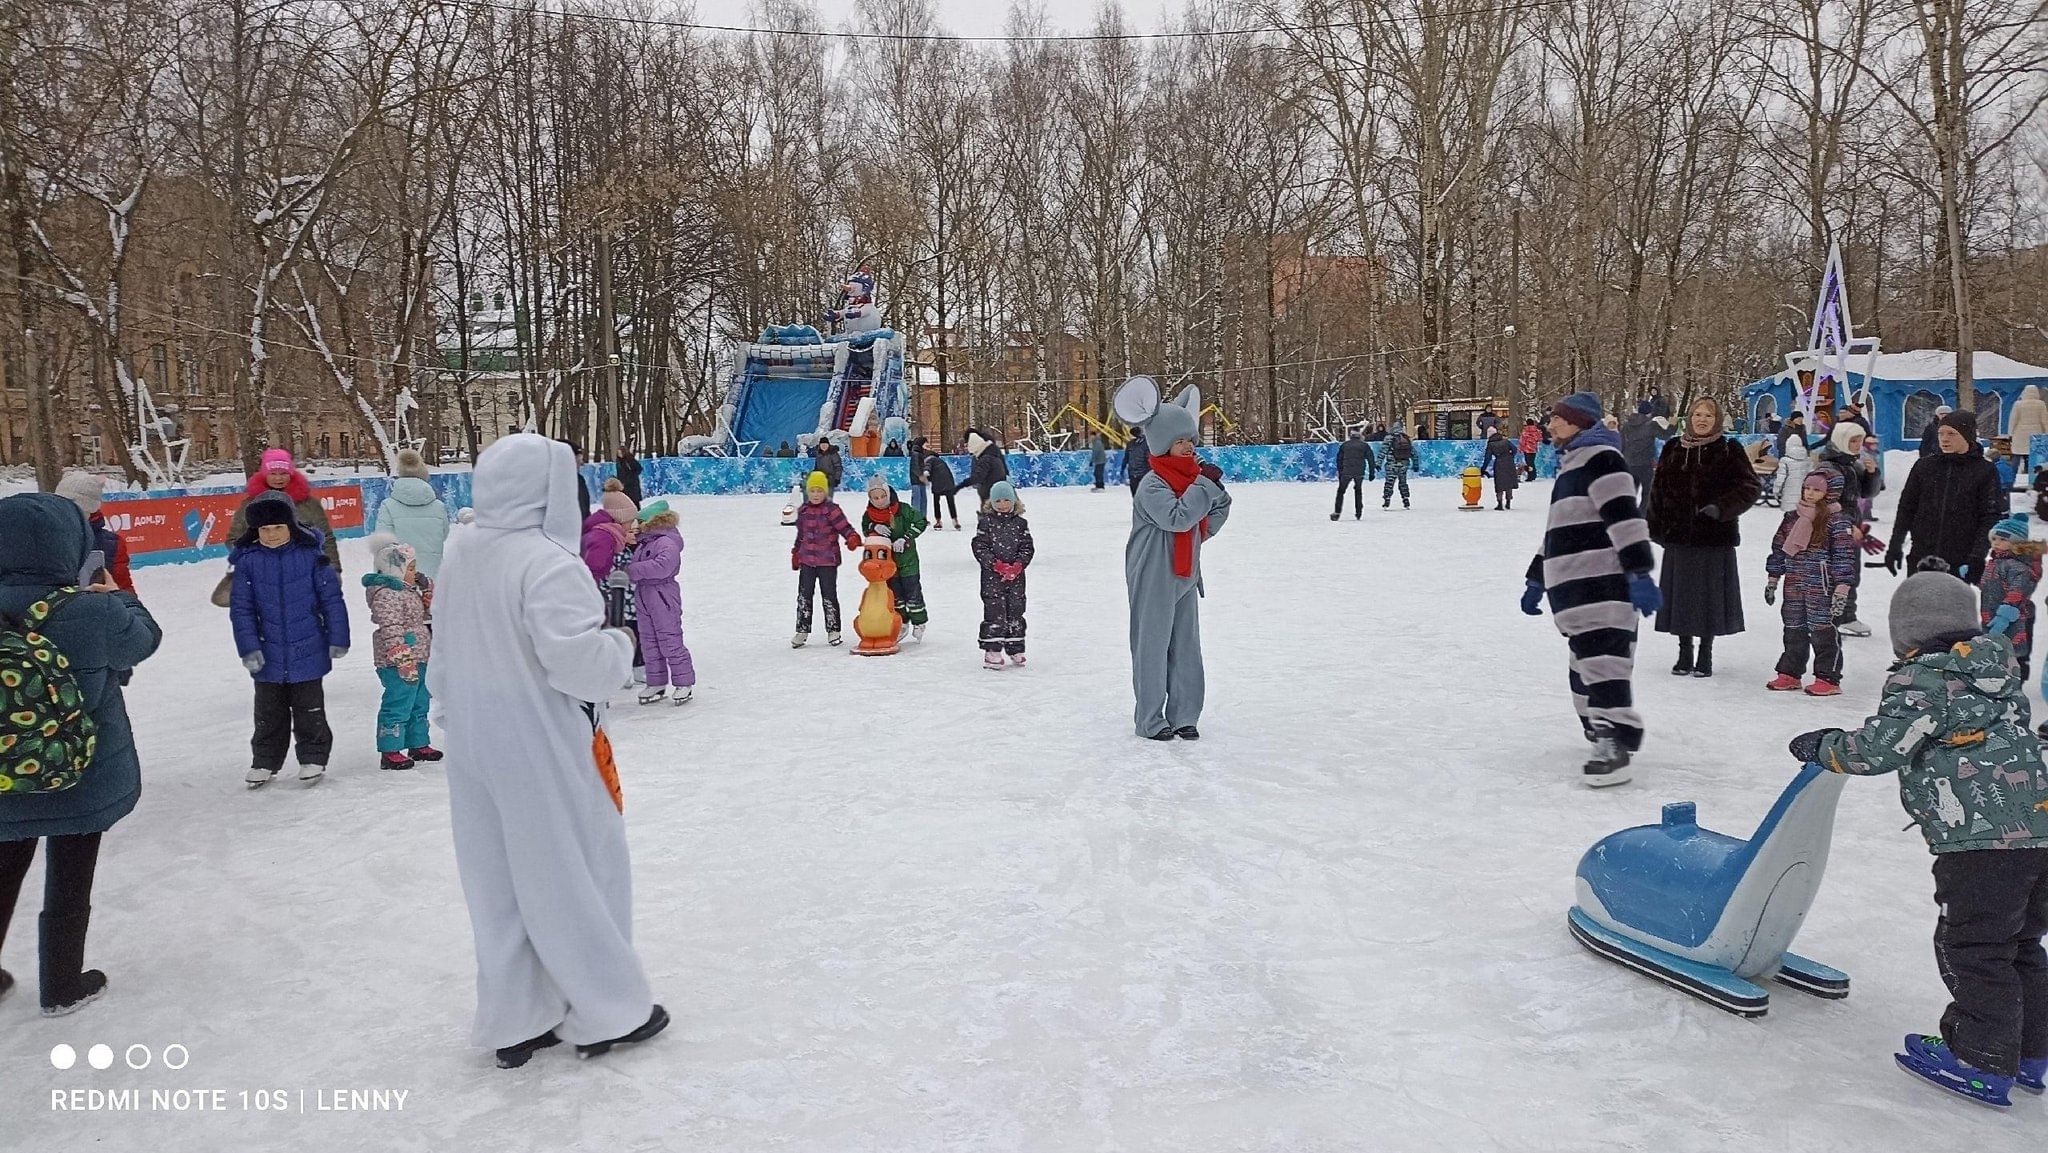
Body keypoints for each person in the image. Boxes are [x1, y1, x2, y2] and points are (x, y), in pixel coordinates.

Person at [426, 434, 667, 1069]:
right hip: (540, 738)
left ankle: (516, 1016)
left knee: (497, 879)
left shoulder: (463, 549)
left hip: (474, 737)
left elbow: (442, 645)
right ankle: (607, 1008)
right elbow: (578, 666)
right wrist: (618, 644)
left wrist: (449, 709)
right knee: (570, 870)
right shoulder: (546, 562)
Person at [1788, 565, 2048, 1108]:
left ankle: (1981, 1059)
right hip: (2040, 834)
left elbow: (1881, 748)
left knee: (1974, 948)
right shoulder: (1998, 673)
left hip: (1982, 843)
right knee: (2019, 942)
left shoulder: (1921, 677)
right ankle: (2029, 1050)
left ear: (1904, 630)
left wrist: (1824, 746)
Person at [0, 493, 161, 1015]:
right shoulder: (92, 612)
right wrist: (119, 597)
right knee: (71, 876)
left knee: (3, 867)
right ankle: (62, 982)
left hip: (5, 772)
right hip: (80, 769)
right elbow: (145, 641)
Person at [1520, 391, 1658, 786]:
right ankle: (1600, 730)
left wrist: (1639, 573)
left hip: (1602, 585)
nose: (1550, 426)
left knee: (1604, 666)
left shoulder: (1603, 459)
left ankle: (1614, 741)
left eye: (1558, 419)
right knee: (1583, 670)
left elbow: (1624, 518)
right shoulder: (1572, 465)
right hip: (1573, 591)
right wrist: (1537, 577)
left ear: (1580, 423)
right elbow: (1557, 532)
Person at [1126, 388, 1232, 740]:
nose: (1188, 446)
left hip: (1186, 574)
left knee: (1186, 646)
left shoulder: (1192, 479)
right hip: (1153, 574)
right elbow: (1177, 518)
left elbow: (1217, 509)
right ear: (1161, 444)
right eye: (1179, 441)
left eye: (1190, 439)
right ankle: (1151, 720)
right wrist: (1204, 486)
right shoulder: (1151, 485)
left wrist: (1206, 511)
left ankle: (1185, 714)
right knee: (1152, 648)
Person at [230, 492, 349, 787]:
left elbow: (332, 600)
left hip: (308, 647)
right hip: (266, 652)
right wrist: (248, 648)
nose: (271, 535)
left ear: (291, 526)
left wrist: (338, 637)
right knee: (268, 713)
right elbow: (241, 610)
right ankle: (264, 761)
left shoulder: (312, 556)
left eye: (277, 528)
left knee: (309, 709)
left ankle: (313, 757)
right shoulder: (248, 562)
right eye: (264, 530)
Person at [1646, 398, 1759, 678]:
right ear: (1689, 418)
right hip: (1678, 536)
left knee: (1709, 597)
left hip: (1713, 537)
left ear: (1717, 419)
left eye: (1708, 415)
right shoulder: (1673, 448)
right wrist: (1655, 525)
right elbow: (1657, 489)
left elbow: (1750, 486)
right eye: (1697, 414)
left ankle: (1705, 652)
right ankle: (1684, 651)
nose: (1702, 419)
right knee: (1681, 596)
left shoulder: (1728, 449)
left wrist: (1720, 508)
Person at [1764, 472, 1857, 696]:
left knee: (1822, 630)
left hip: (1822, 586)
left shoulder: (1837, 520)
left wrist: (1842, 589)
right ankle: (1790, 672)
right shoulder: (1792, 517)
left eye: (1817, 489)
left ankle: (1828, 677)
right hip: (1794, 582)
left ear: (1829, 493)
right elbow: (1779, 549)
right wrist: (1773, 579)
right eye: (1807, 488)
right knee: (1794, 627)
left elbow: (1844, 556)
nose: (1810, 493)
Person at [1887, 412, 2006, 585]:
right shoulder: (1925, 466)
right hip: (1922, 557)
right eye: (1941, 433)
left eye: (1951, 433)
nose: (1944, 439)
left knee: (1951, 610)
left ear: (1967, 436)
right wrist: (1895, 545)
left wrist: (1977, 556)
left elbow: (1990, 516)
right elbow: (1906, 508)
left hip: (1960, 559)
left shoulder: (1984, 470)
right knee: (1918, 609)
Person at [362, 534, 439, 770]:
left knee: (420, 700)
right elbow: (391, 627)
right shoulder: (386, 594)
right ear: (395, 569)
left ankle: (418, 743)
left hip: (420, 654)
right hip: (398, 660)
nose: (415, 572)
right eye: (410, 568)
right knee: (399, 701)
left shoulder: (407, 590)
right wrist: (401, 656)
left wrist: (426, 594)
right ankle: (390, 748)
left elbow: (422, 618)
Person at [224, 448, 340, 572]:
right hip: (264, 575)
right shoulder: (250, 505)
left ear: (291, 474)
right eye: (273, 473)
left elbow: (326, 538)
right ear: (264, 475)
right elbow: (233, 540)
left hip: (305, 573)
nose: (278, 478)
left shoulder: (309, 504)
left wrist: (333, 570)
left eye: (283, 473)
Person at [625, 501, 694, 705]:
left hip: (662, 594)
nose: (636, 526)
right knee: (648, 641)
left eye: (640, 522)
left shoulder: (666, 542)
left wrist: (632, 570)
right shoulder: (645, 542)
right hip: (644, 594)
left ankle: (684, 683)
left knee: (669, 639)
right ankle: (656, 681)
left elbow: (663, 566)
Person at [1815, 422, 1876, 635]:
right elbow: (1824, 504)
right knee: (1839, 574)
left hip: (1850, 528)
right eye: (1853, 440)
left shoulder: (1851, 464)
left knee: (1849, 573)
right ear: (1841, 440)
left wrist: (1871, 474)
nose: (1858, 445)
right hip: (1836, 531)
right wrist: (1847, 526)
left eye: (1860, 440)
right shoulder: (1829, 468)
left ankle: (1844, 616)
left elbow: (1866, 493)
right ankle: (1835, 618)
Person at [790, 471, 861, 647]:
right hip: (807, 560)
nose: (815, 495)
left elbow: (845, 528)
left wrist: (852, 537)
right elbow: (801, 535)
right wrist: (796, 552)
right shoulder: (804, 511)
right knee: (804, 596)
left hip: (828, 561)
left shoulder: (832, 510)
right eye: (812, 491)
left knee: (829, 595)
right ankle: (802, 630)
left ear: (825, 492)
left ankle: (833, 629)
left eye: (819, 491)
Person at [972, 480, 1033, 668]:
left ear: (1014, 501)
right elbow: (979, 546)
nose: (1003, 504)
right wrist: (996, 565)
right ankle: (992, 650)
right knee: (995, 611)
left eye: (1007, 500)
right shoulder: (986, 522)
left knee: (1016, 610)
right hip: (993, 578)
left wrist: (1017, 566)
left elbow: (1027, 547)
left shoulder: (1021, 524)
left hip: (1016, 579)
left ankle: (1015, 647)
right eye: (998, 501)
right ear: (992, 502)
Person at [863, 474, 929, 642]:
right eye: (875, 497)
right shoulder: (870, 514)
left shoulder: (903, 509)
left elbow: (921, 522)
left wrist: (905, 538)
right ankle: (902, 622)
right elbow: (865, 528)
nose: (879, 500)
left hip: (908, 561)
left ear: (889, 494)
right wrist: (873, 526)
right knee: (895, 595)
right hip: (886, 564)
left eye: (883, 496)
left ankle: (919, 622)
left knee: (912, 592)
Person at [374, 448, 451, 580]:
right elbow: (443, 534)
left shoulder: (388, 506)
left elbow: (383, 543)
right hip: (432, 576)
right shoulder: (439, 506)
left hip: (399, 576)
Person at [1981, 514, 2042, 681]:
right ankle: (1998, 679)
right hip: (1993, 615)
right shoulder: (1996, 562)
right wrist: (1973, 574)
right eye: (1994, 538)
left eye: (2002, 539)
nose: (1996, 543)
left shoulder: (2018, 566)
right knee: (1997, 651)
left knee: (2014, 652)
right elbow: (1992, 587)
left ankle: (2017, 681)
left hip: (2016, 618)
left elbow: (2018, 590)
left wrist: (2005, 614)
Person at [52, 473, 133, 594]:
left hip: (96, 608)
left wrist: (114, 594)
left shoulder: (111, 544)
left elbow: (125, 591)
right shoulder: (41, 537)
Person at [1619, 400, 1665, 500]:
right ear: (1649, 412)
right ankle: (1642, 514)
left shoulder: (1627, 425)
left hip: (1628, 463)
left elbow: (1621, 442)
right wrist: (1673, 425)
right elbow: (1664, 435)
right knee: (1646, 494)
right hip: (1645, 465)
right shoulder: (1651, 425)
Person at [1332, 427, 1373, 520]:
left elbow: (1339, 459)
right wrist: (1371, 472)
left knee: (1341, 491)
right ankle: (1358, 512)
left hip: (1346, 471)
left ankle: (1337, 512)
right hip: (1359, 471)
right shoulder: (1364, 445)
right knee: (1358, 491)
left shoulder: (1345, 445)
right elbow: (1371, 459)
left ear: (1351, 435)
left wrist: (1340, 471)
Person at [1773, 411, 1812, 505]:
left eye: (1801, 418)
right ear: (1794, 419)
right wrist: (1786, 455)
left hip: (1800, 456)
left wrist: (1807, 452)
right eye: (1799, 418)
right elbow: (1781, 443)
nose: (1801, 420)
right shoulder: (1785, 429)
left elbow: (1804, 442)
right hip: (1788, 455)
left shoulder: (1802, 428)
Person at [2011, 387, 2048, 477]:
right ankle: (2031, 476)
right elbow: (2045, 420)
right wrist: (2046, 432)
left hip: (2020, 434)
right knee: (2033, 457)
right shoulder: (2041, 404)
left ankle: (2012, 474)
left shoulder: (2018, 404)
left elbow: (2013, 420)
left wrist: (2011, 432)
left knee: (2017, 455)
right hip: (2036, 434)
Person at [966, 430, 1009, 507]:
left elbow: (978, 468)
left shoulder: (984, 452)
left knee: (989, 504)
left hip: (989, 484)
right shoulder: (989, 451)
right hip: (994, 483)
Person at [1482, 425, 1518, 510]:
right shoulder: (1506, 441)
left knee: (1499, 483)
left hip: (1499, 463)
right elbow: (1515, 449)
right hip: (1509, 462)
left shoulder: (1491, 444)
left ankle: (1500, 503)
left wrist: (1483, 469)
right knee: (1508, 482)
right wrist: (1510, 456)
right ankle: (1508, 502)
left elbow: (1488, 457)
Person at [1379, 425, 1415, 509]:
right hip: (1404, 464)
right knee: (1403, 482)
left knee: (1389, 482)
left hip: (1392, 464)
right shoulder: (1406, 438)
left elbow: (1383, 451)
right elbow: (1413, 452)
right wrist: (1415, 464)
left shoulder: (1389, 438)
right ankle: (1406, 500)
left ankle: (1387, 500)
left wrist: (1378, 463)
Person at [908, 436, 933, 517]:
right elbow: (915, 467)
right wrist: (920, 476)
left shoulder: (921, 453)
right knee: (917, 499)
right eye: (926, 442)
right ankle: (915, 518)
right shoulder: (916, 453)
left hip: (921, 480)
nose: (927, 444)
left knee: (923, 499)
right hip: (916, 480)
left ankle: (922, 517)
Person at [614, 440, 644, 506]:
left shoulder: (630, 460)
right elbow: (619, 473)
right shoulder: (618, 462)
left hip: (632, 485)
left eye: (621, 453)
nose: (619, 455)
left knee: (634, 501)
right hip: (623, 485)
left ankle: (637, 513)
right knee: (626, 501)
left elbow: (639, 468)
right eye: (618, 453)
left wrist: (631, 477)